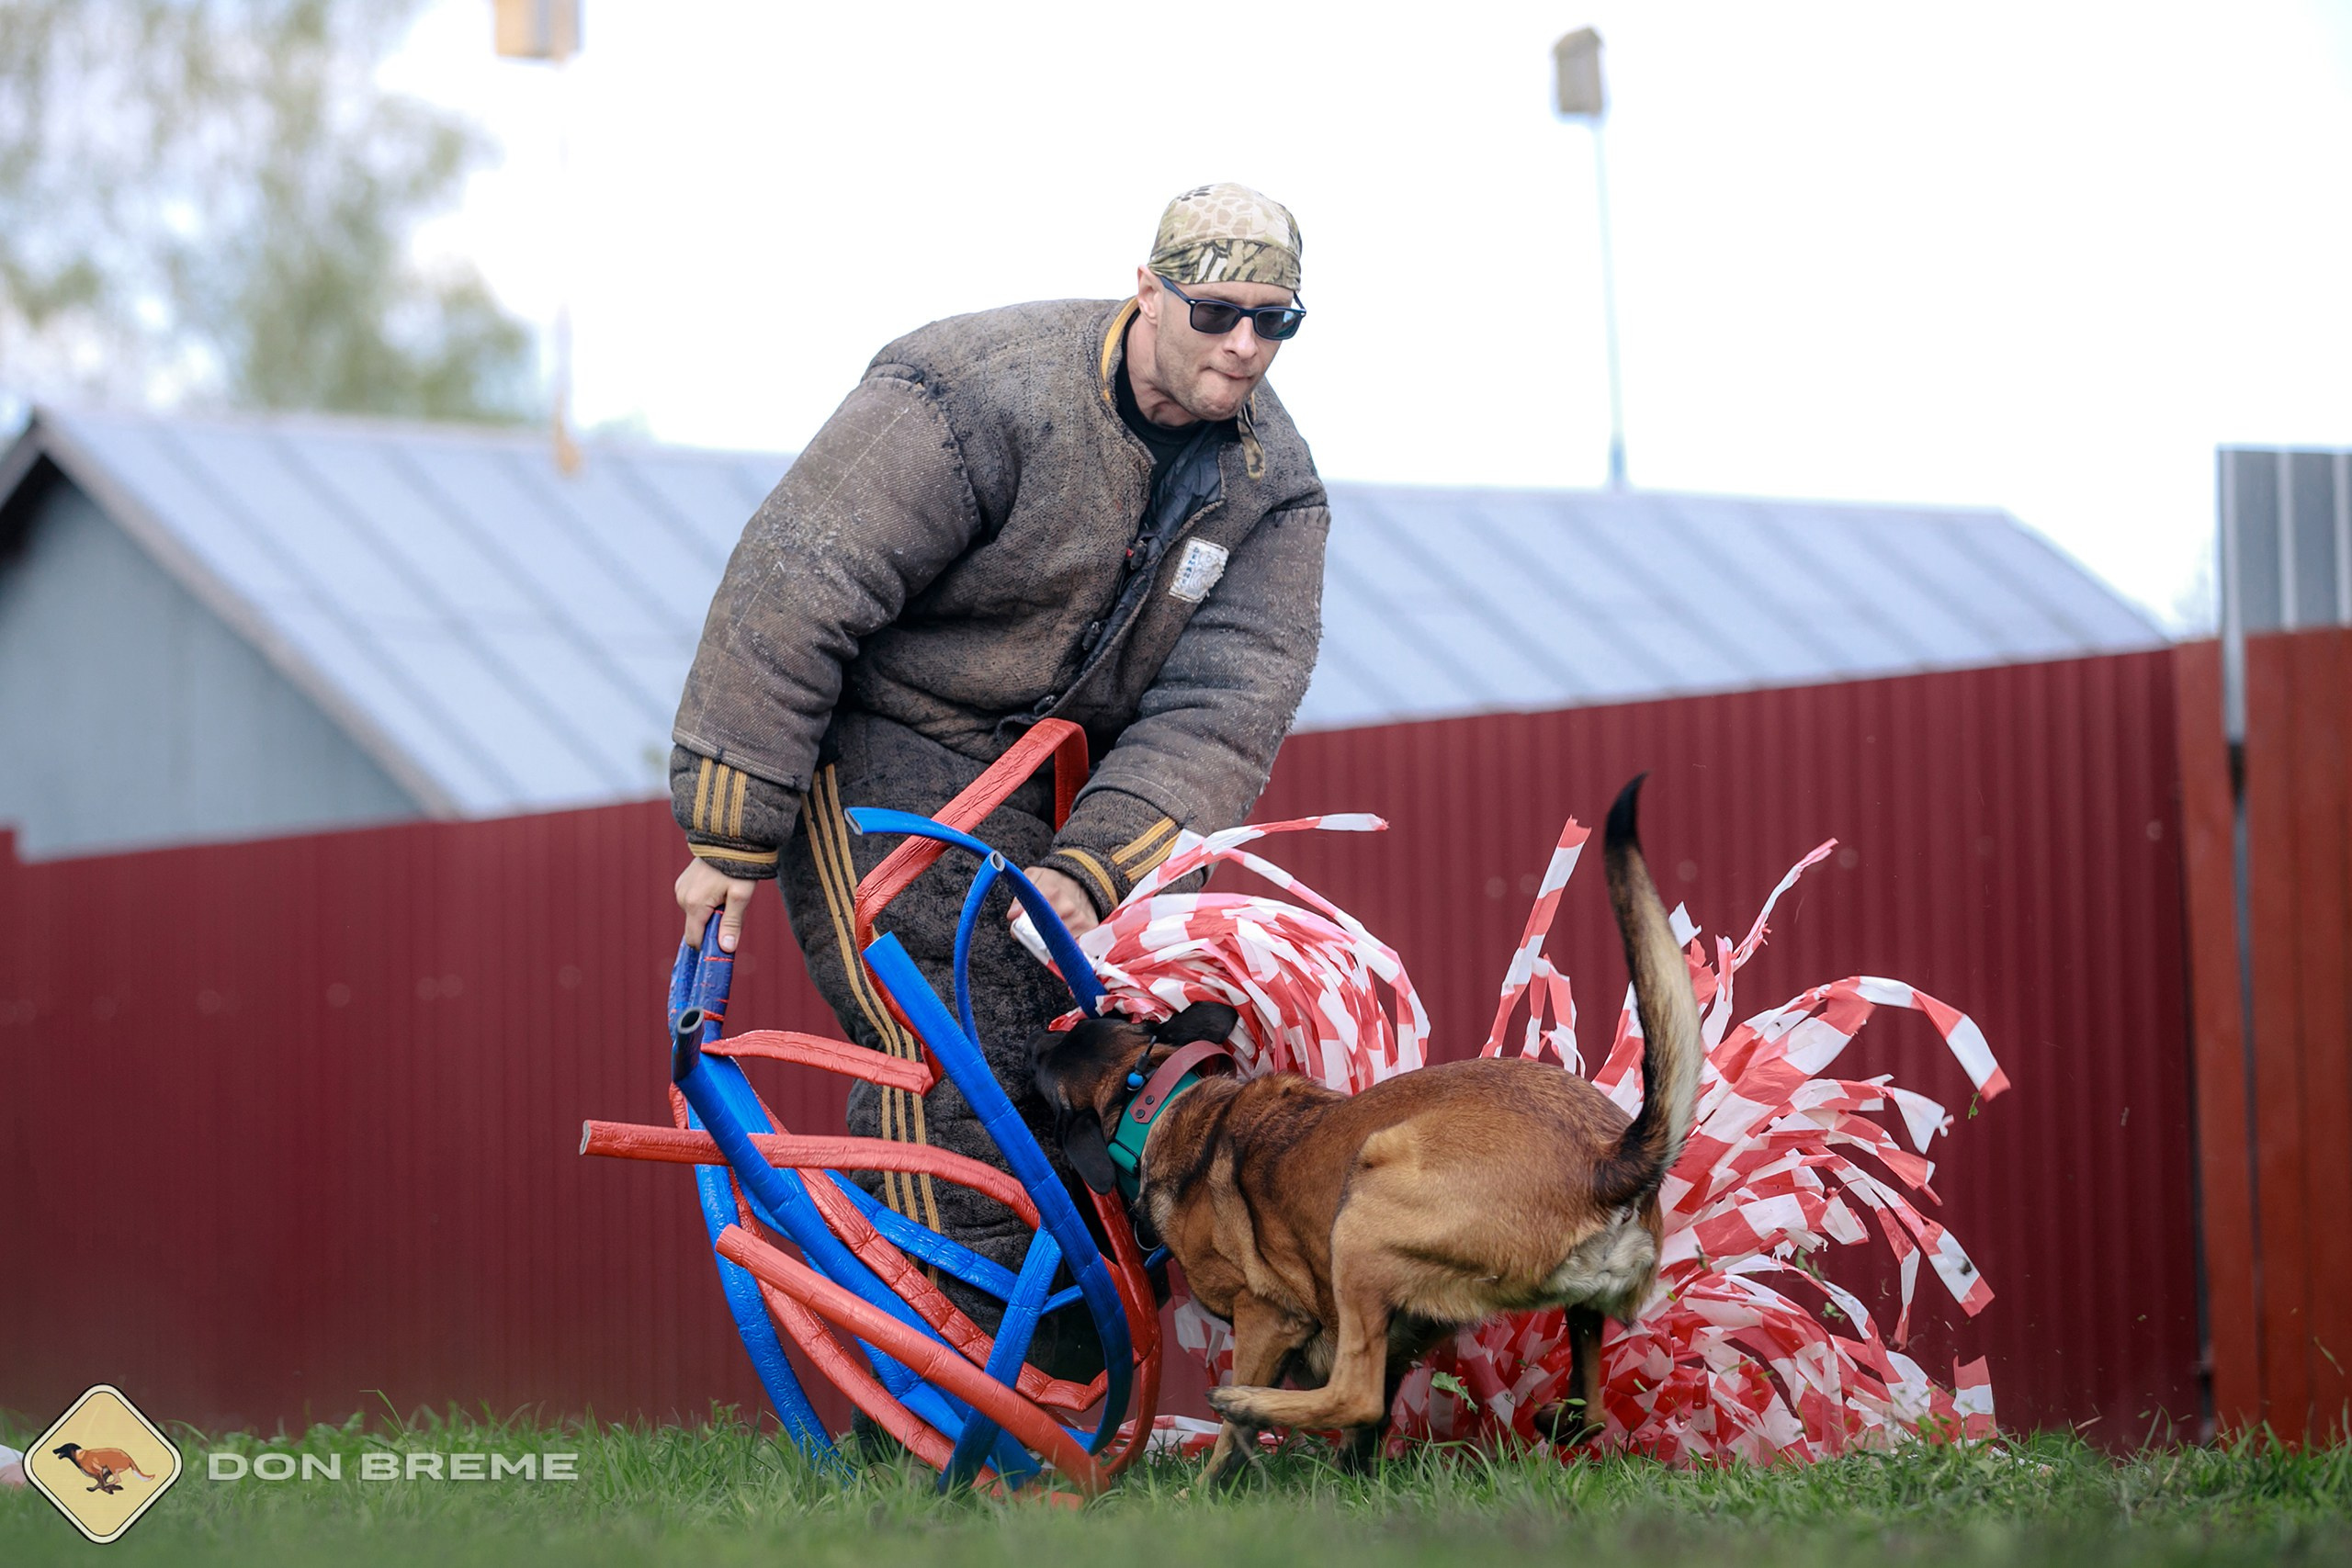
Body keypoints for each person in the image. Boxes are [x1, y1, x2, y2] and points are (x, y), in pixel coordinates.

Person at [665, 182, 1329, 1372]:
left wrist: (1095, 868)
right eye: (1218, 310)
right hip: (879, 733)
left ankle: (1068, 1364)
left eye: (1276, 321)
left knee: (1072, 1051)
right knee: (957, 1022)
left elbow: (1227, 706)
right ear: (1148, 289)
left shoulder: (1271, 484)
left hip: (1050, 785)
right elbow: (794, 583)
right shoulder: (970, 393)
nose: (1245, 345)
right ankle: (966, 1374)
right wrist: (730, 827)